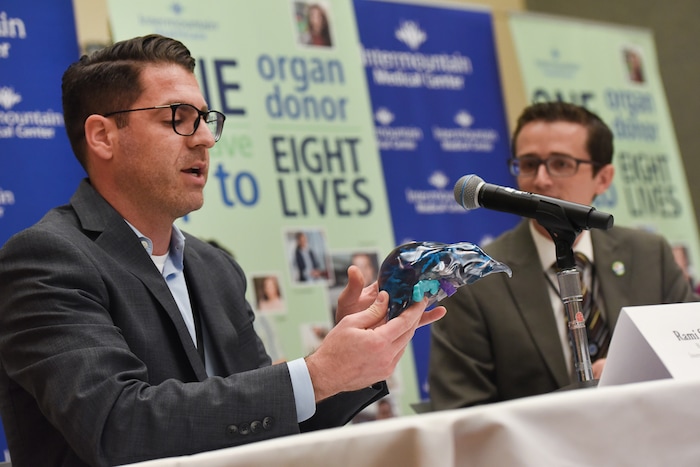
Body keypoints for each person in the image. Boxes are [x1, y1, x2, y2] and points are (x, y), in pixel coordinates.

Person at [0, 34, 446, 467]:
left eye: (204, 119)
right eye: (178, 118)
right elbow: (116, 425)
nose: (205, 139)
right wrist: (317, 375)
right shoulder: (46, 259)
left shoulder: (214, 267)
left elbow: (268, 423)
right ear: (102, 136)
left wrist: (350, 367)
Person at [429, 101, 698, 410]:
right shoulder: (474, 278)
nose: (541, 180)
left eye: (560, 164)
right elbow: (462, 411)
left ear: (603, 178)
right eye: (529, 164)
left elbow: (692, 358)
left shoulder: (650, 255)